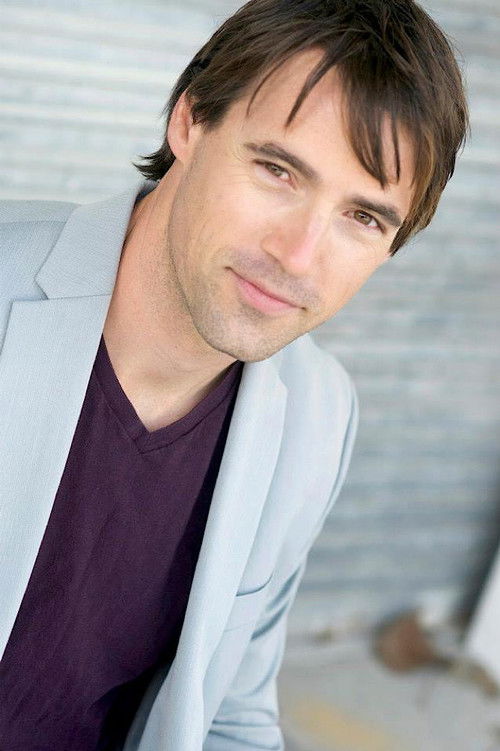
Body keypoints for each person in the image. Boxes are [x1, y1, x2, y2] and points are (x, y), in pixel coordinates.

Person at [0, 0, 468, 749]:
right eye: (278, 170)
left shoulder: (319, 415)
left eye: (362, 217)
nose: (298, 255)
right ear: (189, 121)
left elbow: (230, 712)